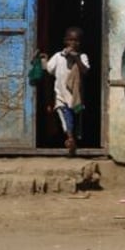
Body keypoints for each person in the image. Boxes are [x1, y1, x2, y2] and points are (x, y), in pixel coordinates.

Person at [39, 27, 89, 155]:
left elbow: (85, 70)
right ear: (65, 41)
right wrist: (43, 59)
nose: (73, 43)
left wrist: (76, 58)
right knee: (65, 116)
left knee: (76, 119)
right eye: (70, 40)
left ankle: (74, 139)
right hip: (61, 96)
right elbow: (49, 69)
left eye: (76, 41)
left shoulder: (82, 56)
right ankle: (70, 138)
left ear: (80, 43)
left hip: (75, 96)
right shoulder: (58, 57)